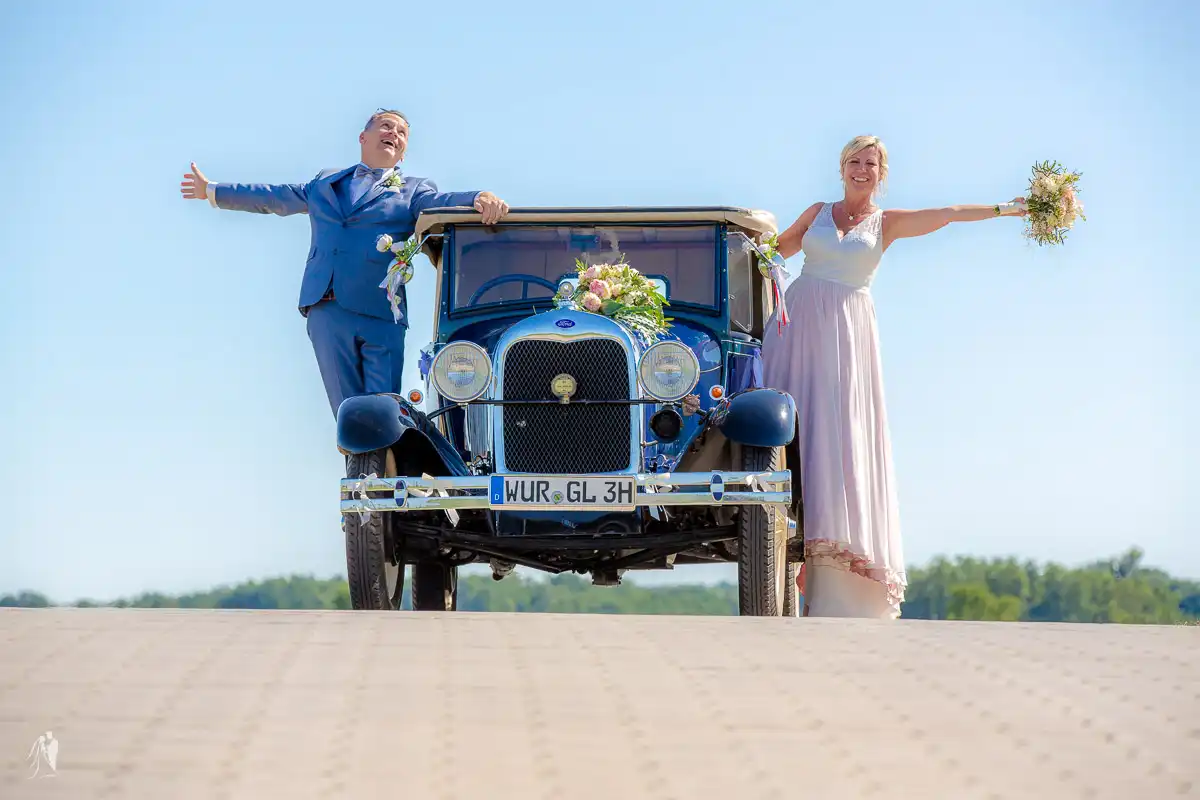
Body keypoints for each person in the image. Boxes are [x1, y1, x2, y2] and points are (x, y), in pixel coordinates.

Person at [764, 135, 1026, 619]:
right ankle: (776, 552)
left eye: (871, 163)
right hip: (798, 329)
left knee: (838, 439)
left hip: (847, 338)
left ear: (881, 174)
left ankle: (831, 579)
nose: (862, 170)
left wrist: (1005, 209)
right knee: (790, 434)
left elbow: (948, 212)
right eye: (854, 161)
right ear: (841, 167)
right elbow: (772, 252)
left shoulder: (886, 224)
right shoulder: (818, 211)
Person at [179, 108, 510, 417]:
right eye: (386, 125)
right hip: (327, 308)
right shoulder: (325, 182)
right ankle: (360, 475)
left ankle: (383, 475)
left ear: (404, 152)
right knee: (348, 414)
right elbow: (274, 197)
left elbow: (440, 203)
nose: (394, 133)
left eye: (402, 132)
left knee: (384, 411)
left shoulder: (414, 190)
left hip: (381, 313)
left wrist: (477, 197)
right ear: (363, 138)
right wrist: (212, 191)